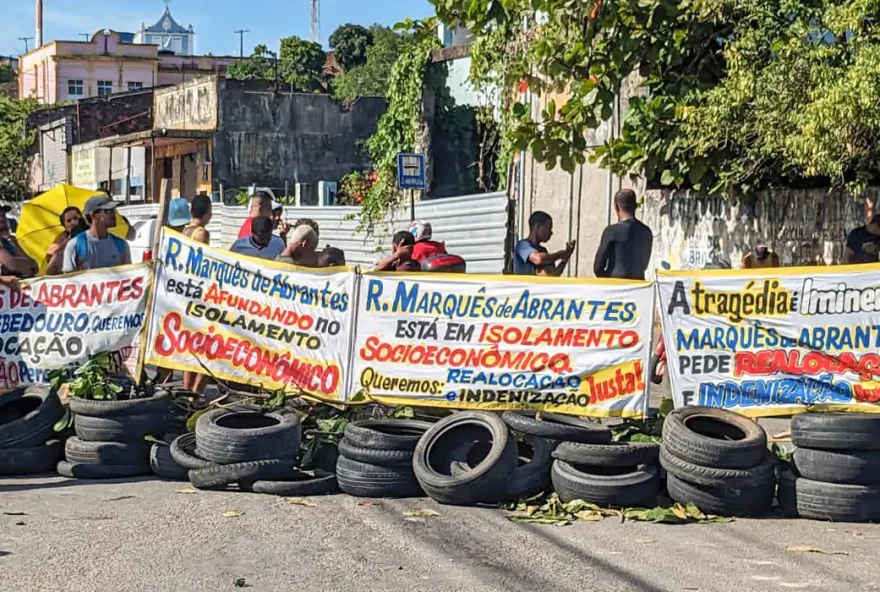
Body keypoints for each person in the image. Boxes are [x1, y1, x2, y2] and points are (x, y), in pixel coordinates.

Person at [182, 194, 213, 394]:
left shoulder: (186, 229)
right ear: (208, 212)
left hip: (185, 291)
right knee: (206, 346)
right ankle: (195, 392)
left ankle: (187, 391)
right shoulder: (201, 233)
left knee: (190, 346)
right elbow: (202, 263)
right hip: (198, 292)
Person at [593, 189, 653, 280]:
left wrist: (608, 279)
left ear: (617, 207)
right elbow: (644, 265)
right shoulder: (646, 231)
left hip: (615, 285)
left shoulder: (611, 231)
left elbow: (598, 267)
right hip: (638, 286)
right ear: (635, 206)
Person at [62, 195, 130, 273]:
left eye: (113, 210)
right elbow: (68, 280)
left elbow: (130, 276)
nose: (113, 215)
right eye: (107, 211)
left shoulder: (121, 245)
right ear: (93, 215)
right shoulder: (75, 245)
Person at [513, 211, 574, 276]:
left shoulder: (543, 250)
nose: (551, 233)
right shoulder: (522, 245)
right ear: (537, 227)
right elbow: (539, 259)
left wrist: (565, 259)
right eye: (548, 228)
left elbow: (554, 274)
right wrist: (560, 254)